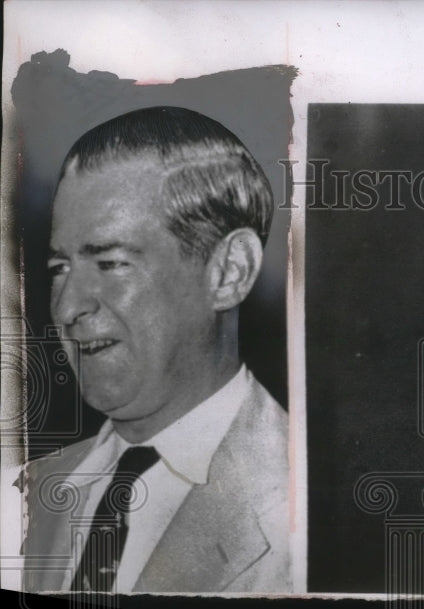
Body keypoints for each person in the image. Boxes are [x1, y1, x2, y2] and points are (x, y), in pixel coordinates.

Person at [19, 106, 290, 593]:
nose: (66, 307)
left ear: (230, 272)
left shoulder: (312, 514)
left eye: (110, 262)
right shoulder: (26, 491)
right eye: (59, 268)